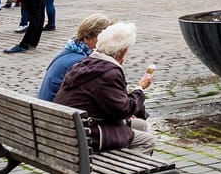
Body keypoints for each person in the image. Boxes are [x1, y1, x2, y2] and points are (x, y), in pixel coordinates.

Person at [54, 22, 155, 151]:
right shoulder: (108, 73)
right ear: (123, 51)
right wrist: (139, 89)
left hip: (68, 130)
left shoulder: (83, 64)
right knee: (147, 141)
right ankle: (126, 170)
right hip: (87, 137)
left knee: (142, 125)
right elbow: (123, 110)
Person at [39, 14, 114, 102]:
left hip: (48, 109)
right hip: (59, 112)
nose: (108, 42)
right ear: (87, 39)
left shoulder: (68, 52)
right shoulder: (82, 62)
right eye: (103, 38)